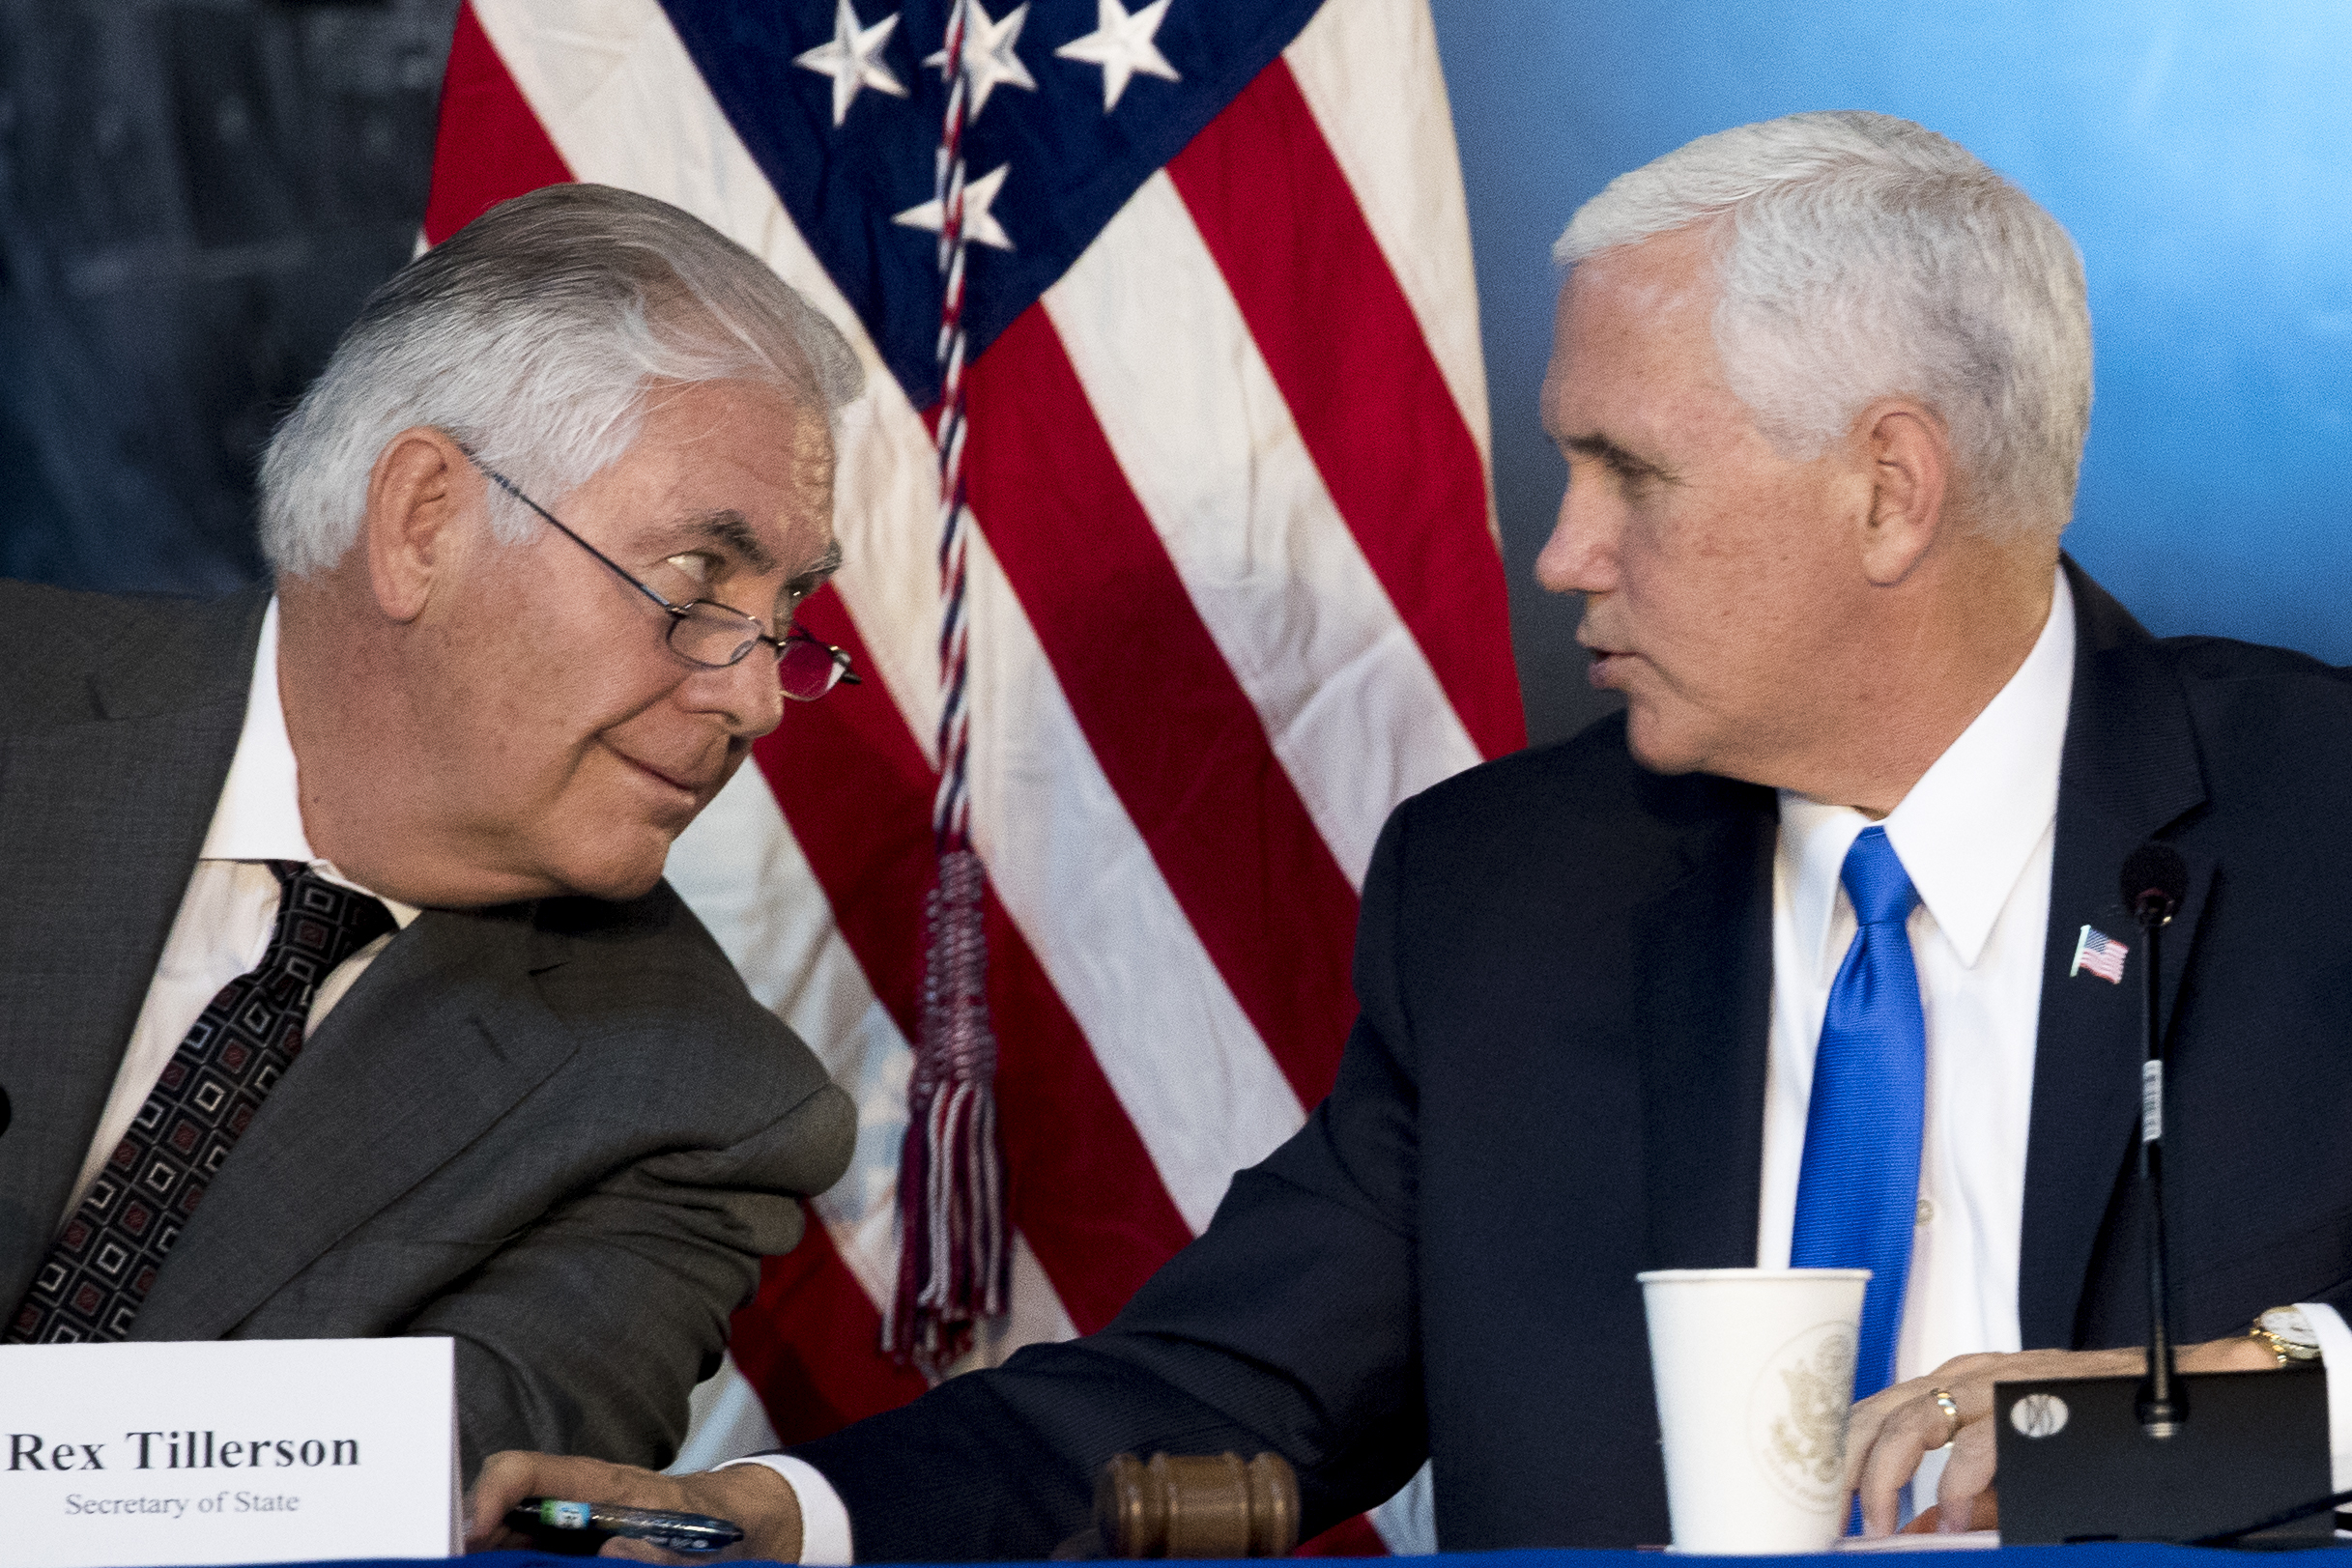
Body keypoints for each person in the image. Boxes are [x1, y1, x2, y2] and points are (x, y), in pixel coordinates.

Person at [467, 113, 2352, 1557]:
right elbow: (1228, 1385)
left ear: (1886, 488)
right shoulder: (1510, 890)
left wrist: (2244, 1413)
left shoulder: (2320, 819)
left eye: (1630, 474)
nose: (1560, 554)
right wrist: (779, 1516)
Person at [0, 184, 865, 1478]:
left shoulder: (692, 1103)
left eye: (787, 609)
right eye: (696, 581)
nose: (753, 694)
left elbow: (427, 1494)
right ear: (424, 520)